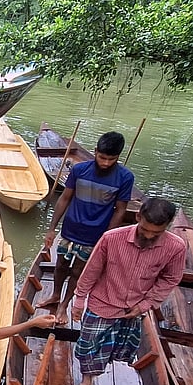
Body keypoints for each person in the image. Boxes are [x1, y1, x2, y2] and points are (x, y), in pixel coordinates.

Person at [64, 197, 186, 385]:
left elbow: (171, 278)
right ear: (138, 217)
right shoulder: (111, 238)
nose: (148, 235)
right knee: (87, 345)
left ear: (167, 226)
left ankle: (101, 371)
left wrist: (145, 304)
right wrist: (78, 300)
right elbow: (91, 271)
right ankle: (86, 383)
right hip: (102, 302)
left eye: (156, 233)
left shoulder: (176, 247)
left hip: (135, 307)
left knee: (117, 347)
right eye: (144, 229)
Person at [39, 131, 134, 325]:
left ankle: (64, 304)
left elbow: (120, 210)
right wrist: (51, 228)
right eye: (102, 157)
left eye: (111, 159)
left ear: (118, 157)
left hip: (95, 235)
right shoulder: (79, 170)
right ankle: (56, 295)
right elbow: (64, 198)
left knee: (78, 272)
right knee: (61, 265)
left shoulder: (125, 177)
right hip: (70, 229)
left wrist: (106, 237)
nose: (106, 163)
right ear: (95, 151)